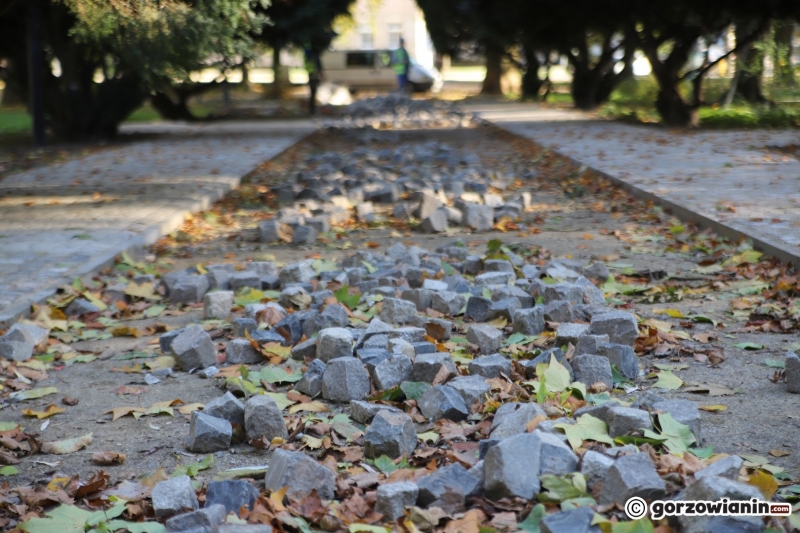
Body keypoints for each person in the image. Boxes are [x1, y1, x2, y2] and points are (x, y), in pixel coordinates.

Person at [304, 47, 322, 115]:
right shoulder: (313, 56)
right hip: (313, 75)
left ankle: (312, 108)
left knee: (312, 92)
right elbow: (317, 64)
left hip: (311, 75)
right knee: (313, 92)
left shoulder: (308, 56)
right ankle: (312, 108)